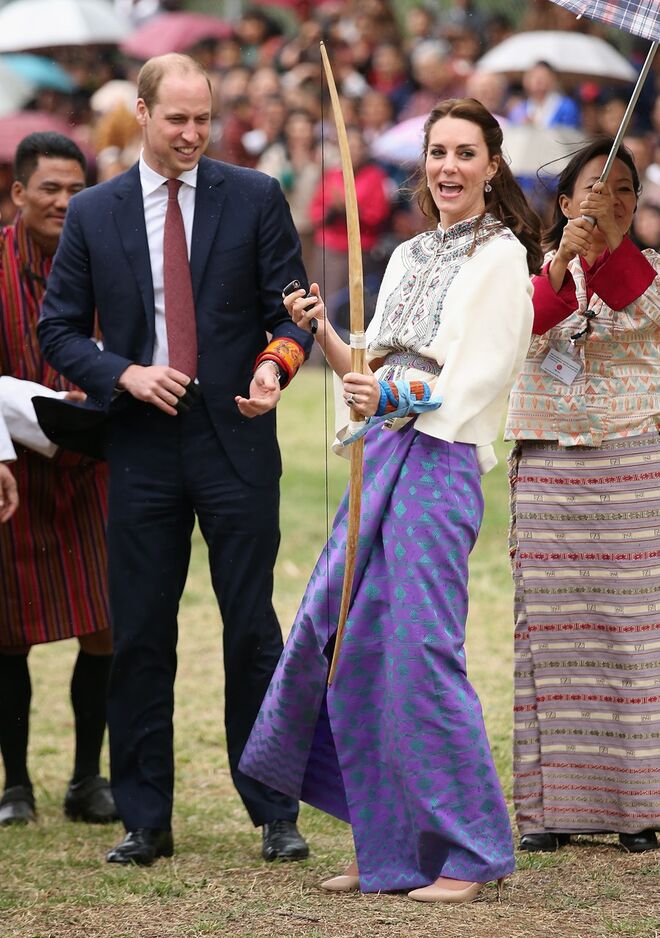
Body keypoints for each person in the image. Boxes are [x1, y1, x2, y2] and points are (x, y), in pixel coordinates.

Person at [240, 98, 542, 902]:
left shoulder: (503, 258)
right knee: (345, 645)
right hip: (380, 454)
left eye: (466, 153)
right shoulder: (407, 254)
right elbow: (365, 371)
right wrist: (321, 331)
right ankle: (390, 847)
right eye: (438, 152)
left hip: (440, 462)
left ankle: (469, 851)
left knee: (419, 652)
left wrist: (390, 393)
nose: (448, 167)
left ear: (492, 167)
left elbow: (479, 377)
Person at [37, 53, 312, 866]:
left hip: (237, 439)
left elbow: (291, 316)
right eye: (177, 119)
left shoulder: (256, 196)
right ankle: (144, 819)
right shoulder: (95, 211)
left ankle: (275, 809)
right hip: (141, 445)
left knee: (252, 630)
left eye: (204, 119)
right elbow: (58, 330)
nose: (192, 134)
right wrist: (124, 373)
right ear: (143, 113)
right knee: (141, 634)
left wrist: (274, 369)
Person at [505, 138, 660, 854]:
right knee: (551, 638)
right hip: (549, 470)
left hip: (632, 464)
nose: (612, 199)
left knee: (634, 641)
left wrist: (608, 251)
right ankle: (549, 811)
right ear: (566, 201)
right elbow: (527, 326)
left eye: (625, 188)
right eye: (598, 187)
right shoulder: (527, 272)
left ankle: (638, 807)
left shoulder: (651, 271)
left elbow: (634, 302)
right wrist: (562, 262)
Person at [0, 133, 117, 828]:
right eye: (50, 188)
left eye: (77, 189)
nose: (65, 202)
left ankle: (86, 779)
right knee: (7, 632)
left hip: (93, 466)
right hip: (11, 472)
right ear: (18, 193)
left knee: (103, 626)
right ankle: (15, 783)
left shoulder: (106, 259)